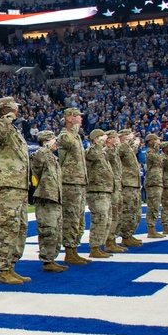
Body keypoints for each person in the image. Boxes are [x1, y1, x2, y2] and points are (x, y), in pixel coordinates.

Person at [0, 96, 31, 284]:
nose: (17, 111)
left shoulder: (14, 131)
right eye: (14, 108)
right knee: (8, 227)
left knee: (20, 227)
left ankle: (11, 265)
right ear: (7, 109)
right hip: (5, 186)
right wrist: (8, 117)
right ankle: (3, 269)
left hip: (18, 186)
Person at [57, 107, 92, 264]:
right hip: (69, 182)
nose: (81, 119)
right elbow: (69, 142)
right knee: (71, 218)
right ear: (70, 118)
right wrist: (75, 129)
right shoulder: (65, 135)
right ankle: (69, 251)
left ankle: (74, 249)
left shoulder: (76, 137)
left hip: (79, 182)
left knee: (79, 219)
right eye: (78, 116)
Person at [30, 130, 67, 273]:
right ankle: (47, 260)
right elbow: (38, 160)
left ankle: (51, 259)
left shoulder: (53, 158)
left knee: (56, 231)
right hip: (46, 198)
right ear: (46, 142)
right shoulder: (38, 155)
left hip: (55, 198)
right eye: (53, 140)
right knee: (48, 230)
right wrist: (46, 146)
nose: (56, 143)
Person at [85, 129, 115, 257]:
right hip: (96, 190)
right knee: (100, 218)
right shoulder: (91, 150)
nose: (106, 138)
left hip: (105, 190)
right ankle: (95, 247)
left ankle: (100, 245)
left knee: (106, 219)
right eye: (103, 137)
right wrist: (98, 143)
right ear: (96, 138)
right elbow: (92, 156)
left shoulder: (102, 152)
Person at [118, 129, 144, 248]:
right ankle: (125, 236)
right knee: (127, 211)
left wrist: (135, 143)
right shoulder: (120, 147)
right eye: (128, 136)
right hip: (126, 183)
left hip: (134, 183)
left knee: (135, 211)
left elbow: (131, 150)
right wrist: (130, 140)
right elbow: (122, 150)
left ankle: (129, 234)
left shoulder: (127, 148)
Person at [104, 131, 127, 253]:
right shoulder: (107, 150)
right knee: (112, 214)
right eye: (115, 137)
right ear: (109, 139)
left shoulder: (114, 149)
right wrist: (118, 145)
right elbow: (112, 156)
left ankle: (113, 239)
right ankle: (109, 241)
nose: (118, 139)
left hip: (117, 185)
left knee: (118, 213)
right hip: (111, 186)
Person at [144, 134, 165, 238]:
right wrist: (157, 147)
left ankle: (153, 228)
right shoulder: (150, 152)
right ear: (150, 141)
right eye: (156, 140)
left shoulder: (156, 152)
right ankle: (151, 229)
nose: (158, 142)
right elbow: (157, 160)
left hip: (157, 181)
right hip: (153, 181)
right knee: (153, 206)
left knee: (156, 206)